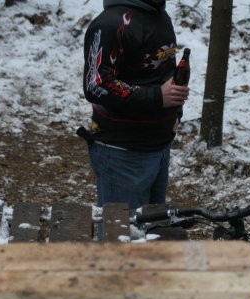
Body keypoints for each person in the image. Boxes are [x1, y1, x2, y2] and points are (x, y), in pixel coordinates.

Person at [79, 0, 189, 210]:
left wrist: (175, 113)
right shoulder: (111, 24)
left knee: (152, 231)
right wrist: (157, 97)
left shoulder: (160, 16)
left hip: (159, 145)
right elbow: (96, 84)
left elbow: (163, 76)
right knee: (122, 237)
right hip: (122, 151)